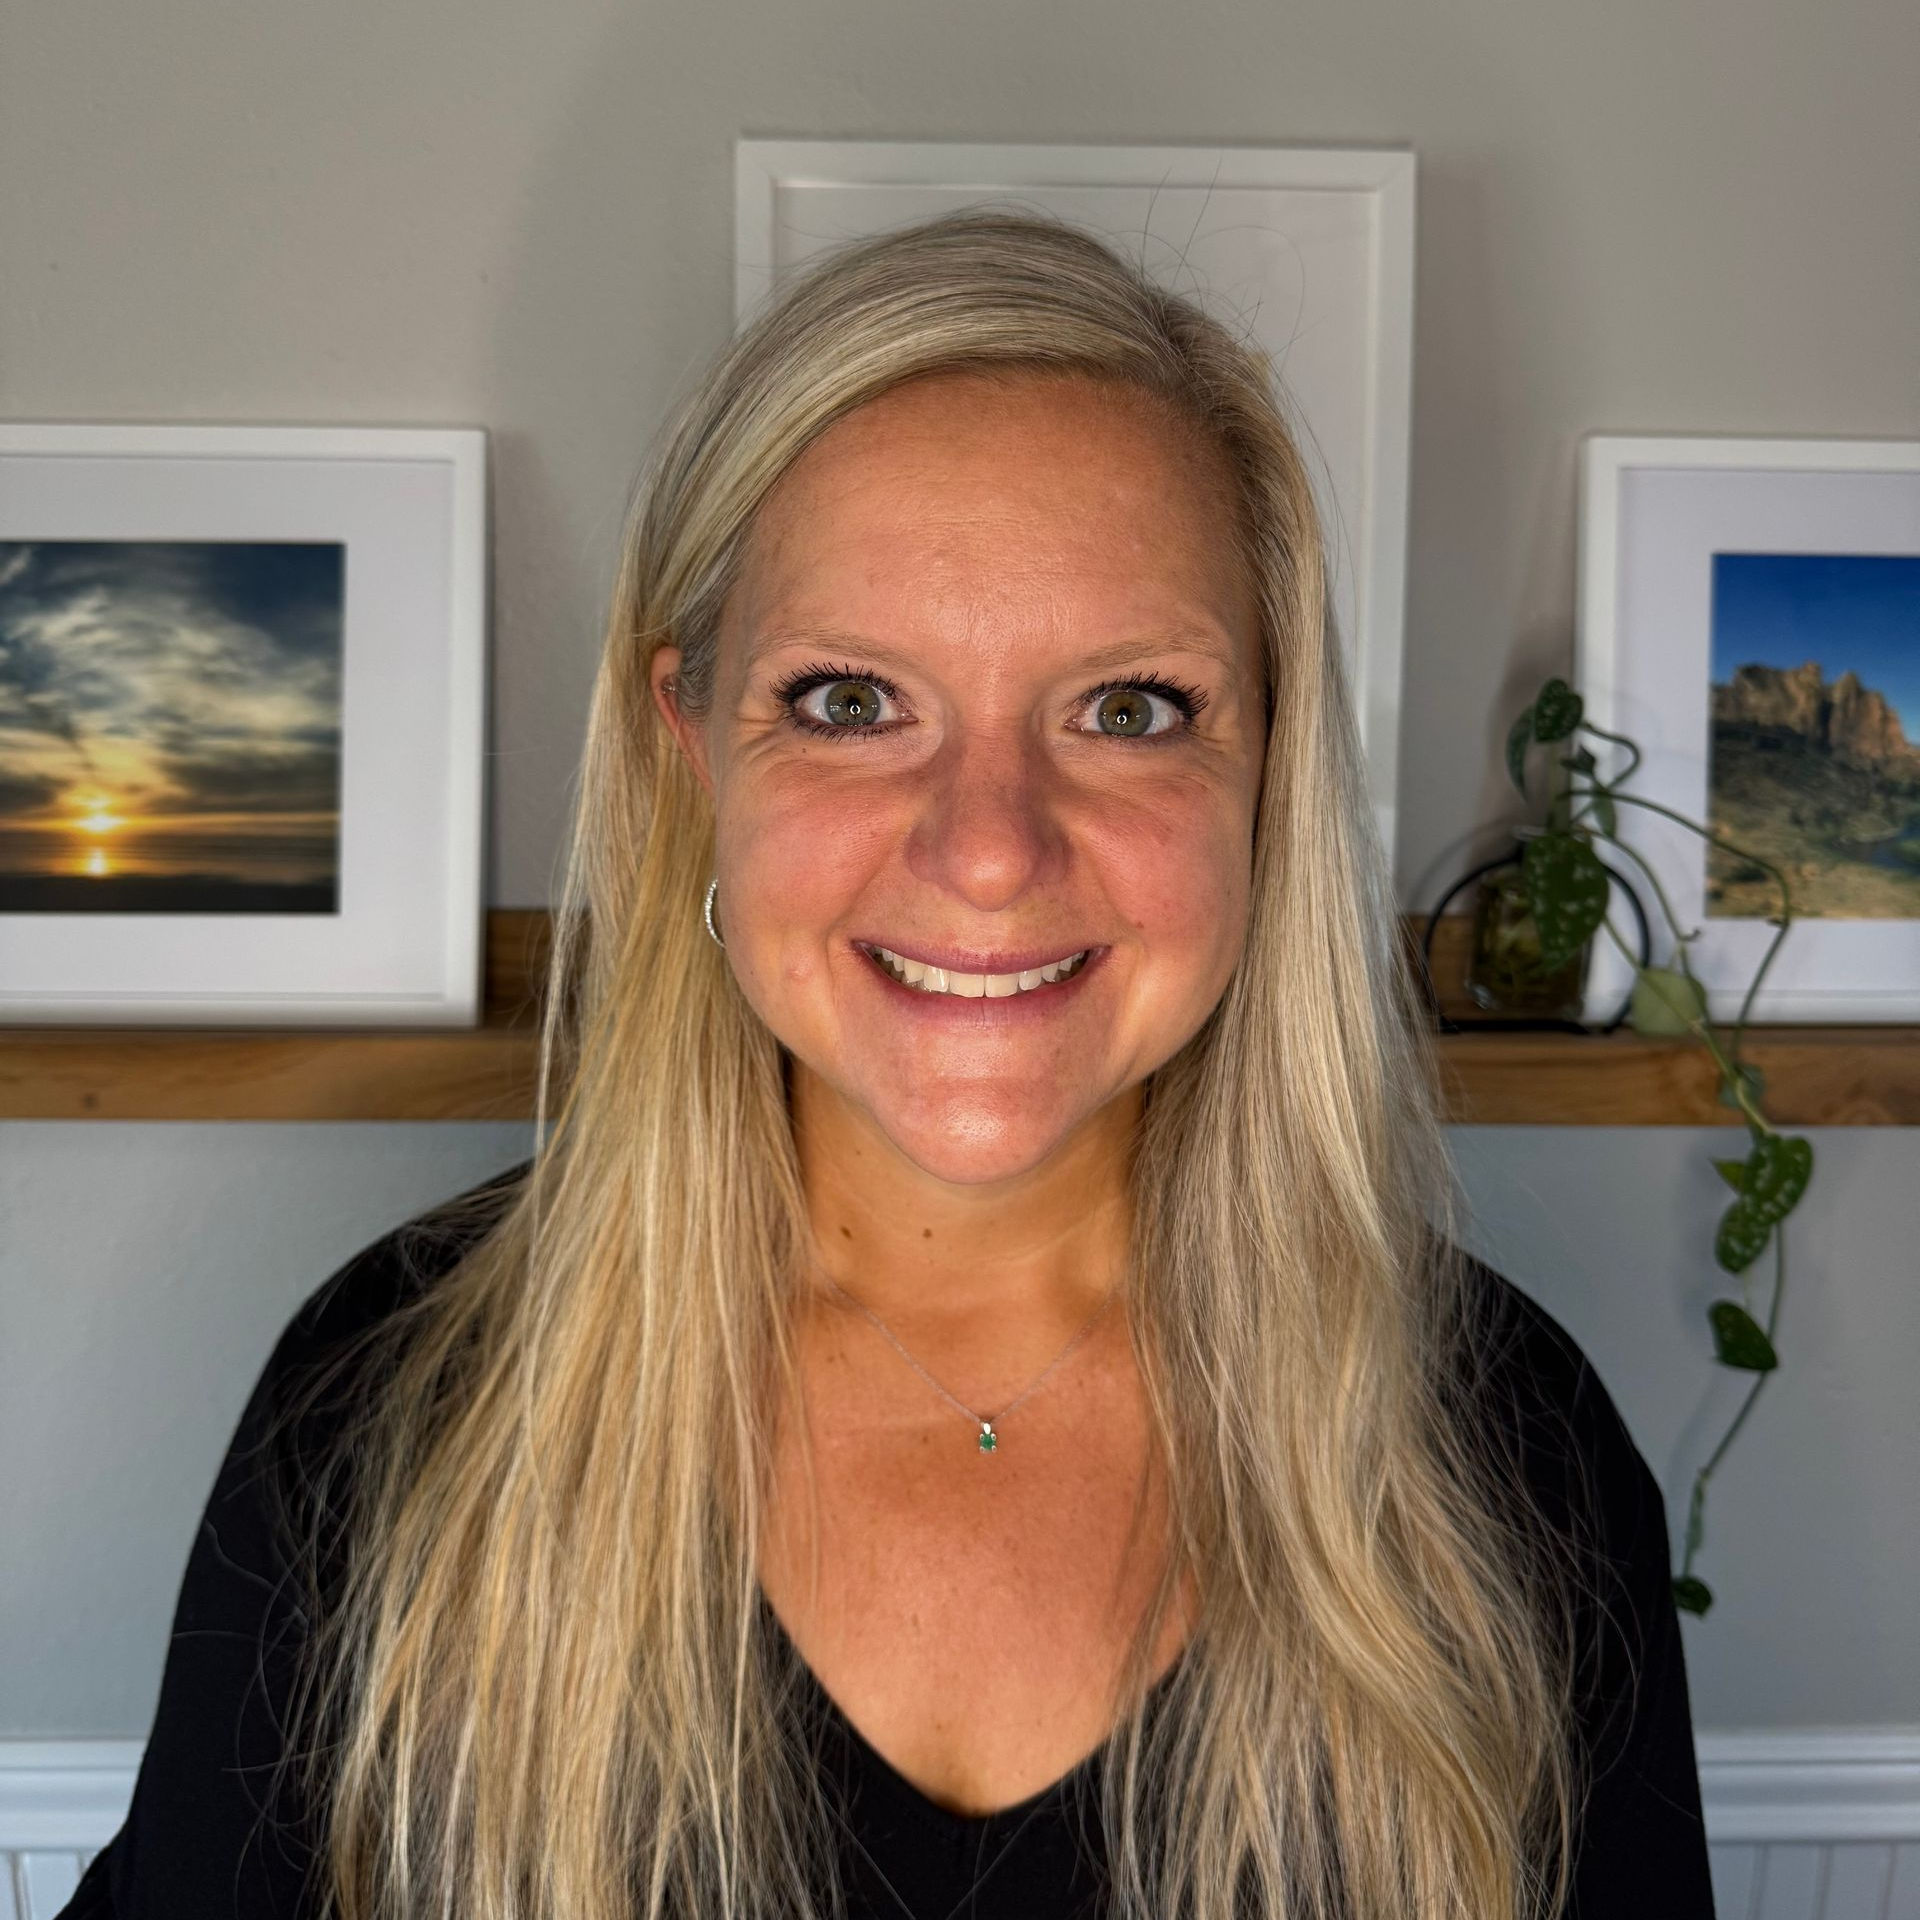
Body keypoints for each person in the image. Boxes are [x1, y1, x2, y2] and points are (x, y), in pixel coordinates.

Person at [57, 206, 1715, 1920]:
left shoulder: (1509, 1458)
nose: (989, 851)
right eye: (853, 701)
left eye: (1129, 708)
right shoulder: (392, 1410)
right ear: (690, 744)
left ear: (1269, 772)